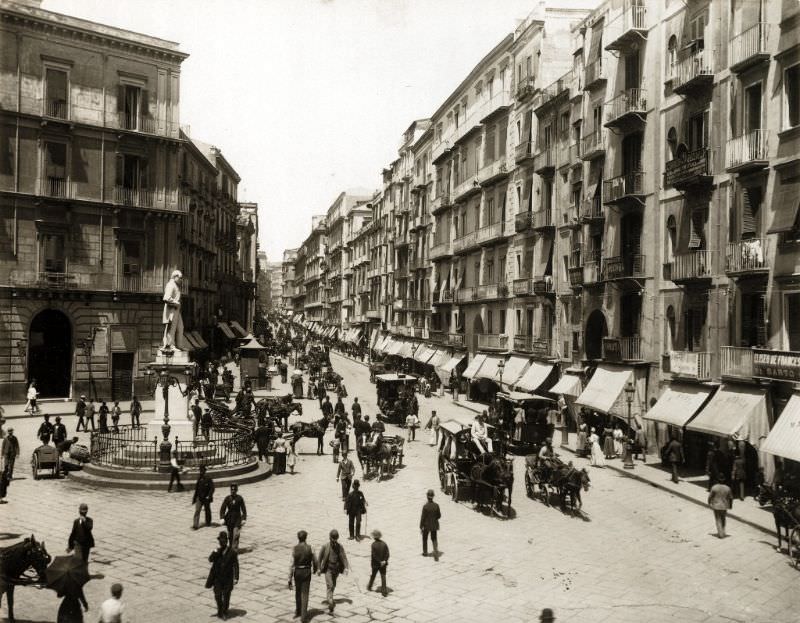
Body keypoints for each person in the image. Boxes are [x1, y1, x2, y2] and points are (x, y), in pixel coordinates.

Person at [207, 531, 239, 620]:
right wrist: (215, 552)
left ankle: (224, 611)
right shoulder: (217, 551)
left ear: (226, 542)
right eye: (220, 541)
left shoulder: (232, 552)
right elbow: (210, 559)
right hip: (217, 578)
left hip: (228, 578)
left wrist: (236, 578)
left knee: (226, 595)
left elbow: (236, 565)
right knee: (217, 595)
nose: (221, 543)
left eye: (223, 541)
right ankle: (220, 610)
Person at [288, 530, 318, 623]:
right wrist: (315, 569)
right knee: (305, 593)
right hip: (306, 571)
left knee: (298, 592)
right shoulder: (311, 548)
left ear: (298, 538)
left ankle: (298, 611)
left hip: (297, 572)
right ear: (306, 538)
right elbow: (315, 560)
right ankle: (303, 616)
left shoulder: (294, 549)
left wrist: (289, 578)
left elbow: (291, 564)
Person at [317, 529, 349, 615]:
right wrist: (319, 569)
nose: (334, 541)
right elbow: (319, 558)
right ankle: (330, 601)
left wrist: (346, 567)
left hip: (336, 569)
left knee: (333, 585)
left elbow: (344, 557)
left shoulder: (339, 546)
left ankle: (330, 597)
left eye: (336, 539)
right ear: (330, 538)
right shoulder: (325, 546)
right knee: (330, 585)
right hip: (328, 569)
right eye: (333, 539)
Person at [220, 484, 247, 549]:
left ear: (236, 490)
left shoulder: (239, 498)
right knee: (230, 535)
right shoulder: (227, 498)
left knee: (236, 534)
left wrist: (244, 518)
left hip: (237, 518)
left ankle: (234, 549)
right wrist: (222, 518)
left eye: (234, 489)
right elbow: (222, 509)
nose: (233, 491)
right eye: (232, 489)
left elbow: (243, 510)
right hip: (229, 518)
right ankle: (231, 548)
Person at [367, 529, 389, 597]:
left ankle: (369, 586)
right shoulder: (384, 544)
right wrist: (384, 561)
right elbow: (387, 553)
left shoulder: (373, 545)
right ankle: (384, 591)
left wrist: (379, 561)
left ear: (374, 537)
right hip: (383, 564)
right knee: (383, 576)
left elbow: (374, 555)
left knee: (373, 575)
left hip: (375, 564)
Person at [192, 465, 215, 530]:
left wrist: (209, 496)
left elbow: (212, 488)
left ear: (204, 471)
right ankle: (195, 525)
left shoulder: (208, 478)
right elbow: (197, 489)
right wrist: (194, 498)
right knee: (197, 510)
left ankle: (208, 522)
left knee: (207, 510)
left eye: (202, 471)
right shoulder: (199, 478)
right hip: (199, 498)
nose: (201, 472)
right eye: (200, 471)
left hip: (206, 498)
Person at [420, 489, 441, 558]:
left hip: (426, 525)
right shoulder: (436, 505)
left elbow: (423, 518)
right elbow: (439, 516)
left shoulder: (425, 506)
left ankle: (425, 552)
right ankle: (435, 550)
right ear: (433, 496)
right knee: (434, 538)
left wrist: (421, 526)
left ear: (427, 496)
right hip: (434, 524)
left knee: (425, 538)